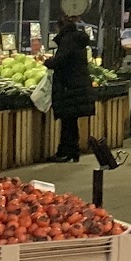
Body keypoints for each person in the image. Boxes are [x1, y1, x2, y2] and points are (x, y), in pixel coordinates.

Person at [47, 14, 98, 162]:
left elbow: (61, 60)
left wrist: (49, 62)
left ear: (60, 27)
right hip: (77, 86)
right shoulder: (77, 39)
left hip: (69, 87)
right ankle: (71, 152)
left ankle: (66, 152)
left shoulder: (67, 40)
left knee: (68, 122)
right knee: (71, 122)